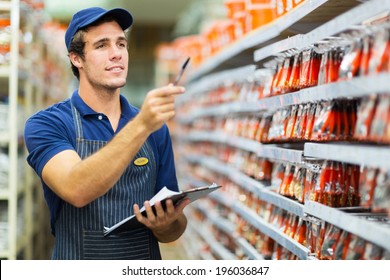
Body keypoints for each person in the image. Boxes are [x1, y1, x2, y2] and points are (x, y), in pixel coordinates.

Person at [24, 7, 190, 260]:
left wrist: (166, 224)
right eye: (102, 46)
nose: (116, 54)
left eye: (121, 44)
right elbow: (76, 188)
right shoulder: (48, 124)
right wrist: (141, 125)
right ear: (76, 59)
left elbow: (174, 230)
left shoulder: (156, 130)